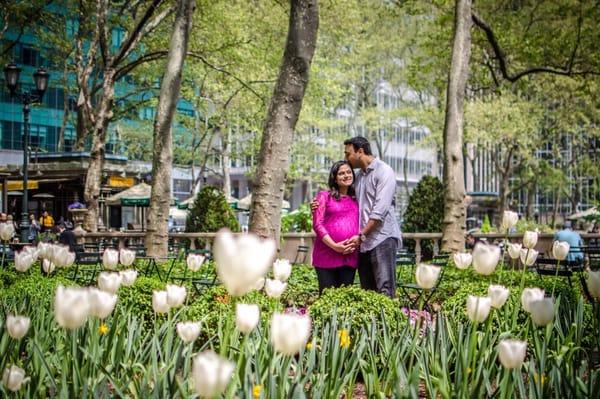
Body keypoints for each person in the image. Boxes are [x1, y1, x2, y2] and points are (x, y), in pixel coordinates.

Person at [311, 161, 359, 293]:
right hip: (326, 254)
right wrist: (335, 246)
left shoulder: (357, 199)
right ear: (335, 178)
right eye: (341, 173)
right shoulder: (324, 196)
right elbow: (317, 224)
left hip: (349, 255)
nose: (346, 175)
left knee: (344, 299)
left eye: (349, 172)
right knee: (327, 297)